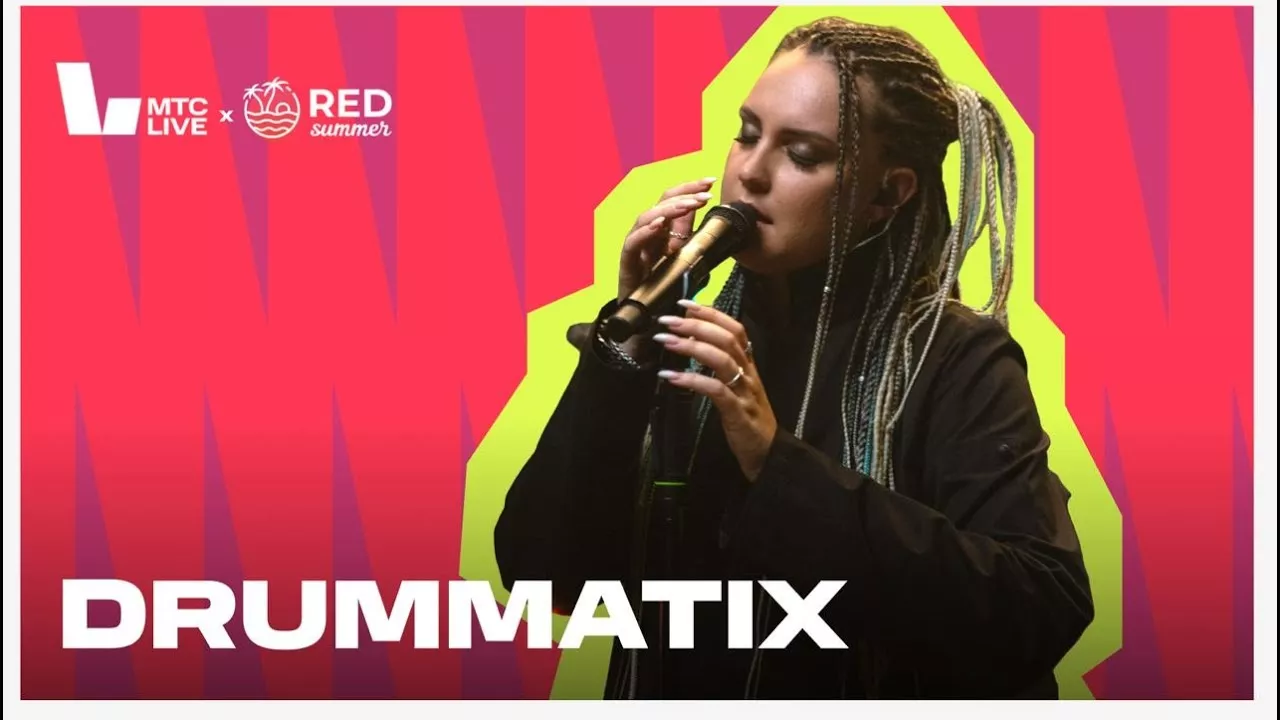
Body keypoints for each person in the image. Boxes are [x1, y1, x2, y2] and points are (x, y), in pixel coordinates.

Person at [494, 16, 1093, 699]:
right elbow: (548, 578)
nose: (750, 172)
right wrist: (625, 351)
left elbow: (1037, 609)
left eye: (802, 155)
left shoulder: (954, 356)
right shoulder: (683, 343)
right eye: (747, 133)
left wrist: (775, 464)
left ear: (886, 195)